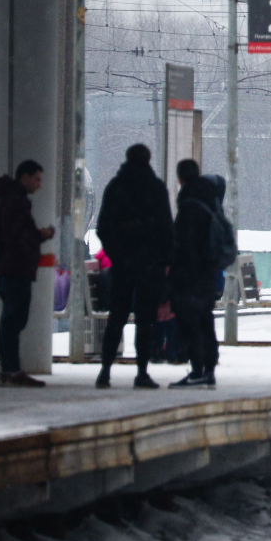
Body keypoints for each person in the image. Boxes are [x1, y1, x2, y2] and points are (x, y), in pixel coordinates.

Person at [95, 144, 173, 389]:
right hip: (149, 266)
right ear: (149, 159)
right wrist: (164, 261)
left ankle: (105, 371)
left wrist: (116, 254)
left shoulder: (115, 187)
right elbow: (166, 229)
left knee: (116, 317)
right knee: (145, 320)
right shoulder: (156, 188)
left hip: (122, 265)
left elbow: (103, 227)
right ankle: (141, 371)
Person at [0, 160, 55, 387]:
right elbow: (15, 236)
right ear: (24, 178)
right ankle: (11, 369)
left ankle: (10, 368)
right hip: (15, 270)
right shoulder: (15, 202)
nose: (39, 185)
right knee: (13, 321)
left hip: (11, 269)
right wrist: (40, 235)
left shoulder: (7, 200)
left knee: (12, 320)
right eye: (36, 179)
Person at [168, 160, 224, 389]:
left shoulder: (189, 203)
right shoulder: (210, 199)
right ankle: (208, 369)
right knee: (205, 320)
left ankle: (198, 369)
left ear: (180, 178)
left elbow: (182, 243)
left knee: (189, 322)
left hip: (189, 275)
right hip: (208, 273)